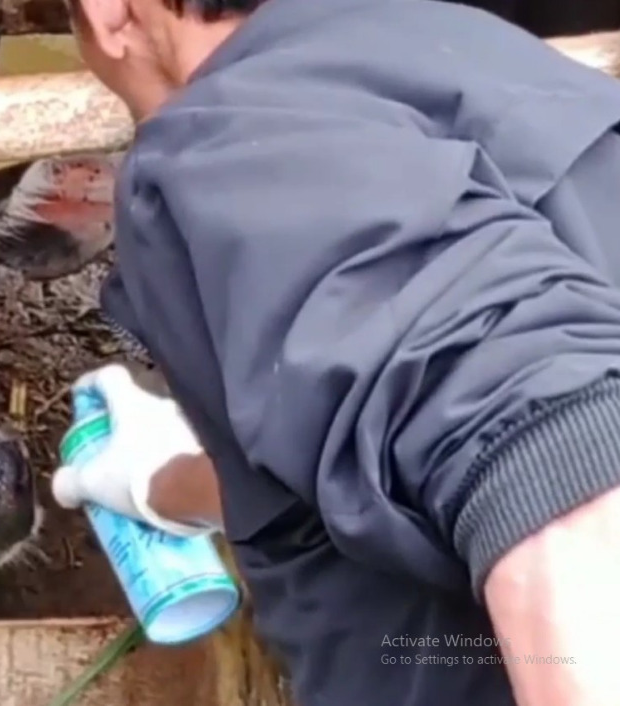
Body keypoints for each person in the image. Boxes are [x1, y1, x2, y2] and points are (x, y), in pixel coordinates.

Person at [47, 0, 620, 704]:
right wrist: (162, 485)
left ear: (110, 12)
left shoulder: (237, 144)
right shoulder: (496, 62)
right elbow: (417, 454)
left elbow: (555, 472)